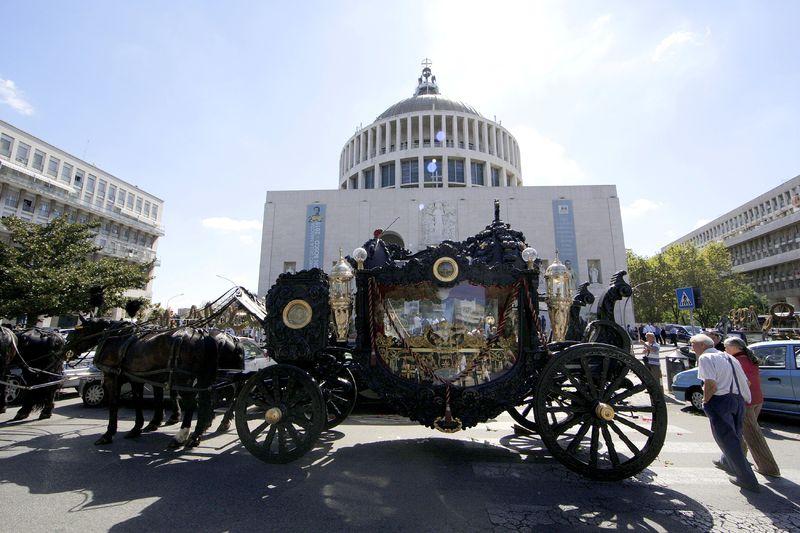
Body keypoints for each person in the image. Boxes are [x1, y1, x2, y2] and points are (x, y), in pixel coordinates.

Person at [692, 333, 759, 492]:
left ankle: (747, 479)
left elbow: (710, 384)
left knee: (727, 439)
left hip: (720, 401)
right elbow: (747, 382)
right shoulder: (730, 357)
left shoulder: (705, 358)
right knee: (735, 435)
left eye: (693, 345)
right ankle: (726, 461)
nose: (692, 348)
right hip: (738, 400)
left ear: (702, 345)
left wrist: (705, 400)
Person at [723, 337, 781, 478]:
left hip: (746, 402)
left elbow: (744, 383)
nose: (725, 350)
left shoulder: (737, 361)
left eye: (726, 347)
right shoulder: (749, 358)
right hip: (756, 399)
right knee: (743, 432)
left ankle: (769, 468)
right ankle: (732, 460)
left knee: (753, 436)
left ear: (735, 347)